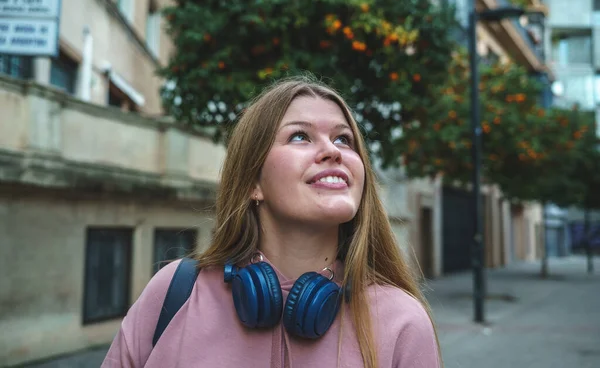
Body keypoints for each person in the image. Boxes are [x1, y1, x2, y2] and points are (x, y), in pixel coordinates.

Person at [102, 76, 442, 368]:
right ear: (254, 183)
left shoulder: (403, 322)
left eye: (343, 139)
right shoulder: (175, 292)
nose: (333, 151)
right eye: (300, 136)